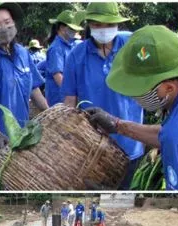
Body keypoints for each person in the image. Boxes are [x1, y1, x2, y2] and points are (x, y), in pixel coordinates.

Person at [88, 25, 178, 191]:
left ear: (169, 88)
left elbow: (173, 137)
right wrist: (118, 125)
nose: (136, 99)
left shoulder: (177, 135)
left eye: (140, 92)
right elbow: (164, 135)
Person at [62, 3, 145, 188]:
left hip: (130, 142)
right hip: (93, 147)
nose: (103, 29)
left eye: (108, 24)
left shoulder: (132, 46)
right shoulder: (76, 56)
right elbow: (69, 102)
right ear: (89, 25)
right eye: (97, 25)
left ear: (117, 25)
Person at [0, 2, 48, 170]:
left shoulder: (23, 53)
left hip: (22, 135)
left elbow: (34, 89)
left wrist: (51, 113)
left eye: (7, 22)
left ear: (14, 23)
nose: (4, 29)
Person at [44, 9, 82, 106]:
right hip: (59, 96)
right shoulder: (56, 48)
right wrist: (71, 94)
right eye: (71, 29)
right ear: (62, 28)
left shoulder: (71, 45)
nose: (74, 31)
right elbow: (58, 76)